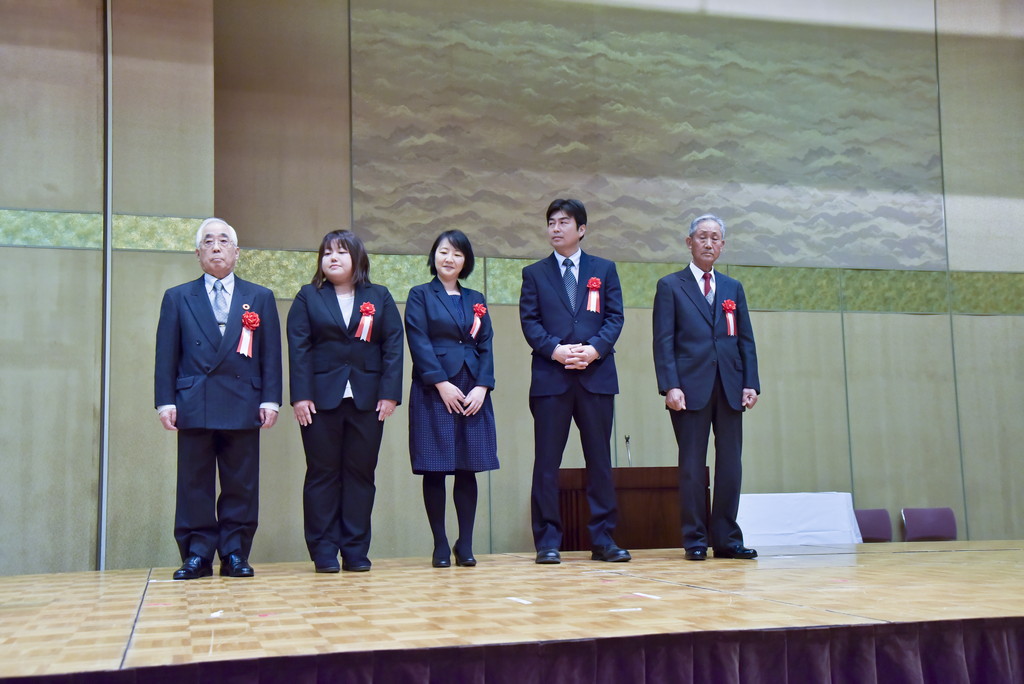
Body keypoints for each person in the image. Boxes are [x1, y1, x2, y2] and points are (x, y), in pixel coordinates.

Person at [155, 217, 282, 580]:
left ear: (236, 252)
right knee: (194, 482)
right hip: (194, 401)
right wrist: (166, 402)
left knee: (241, 482)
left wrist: (271, 400)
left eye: (223, 241)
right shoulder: (178, 297)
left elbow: (270, 354)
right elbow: (166, 355)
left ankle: (234, 552)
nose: (216, 247)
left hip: (244, 400)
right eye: (208, 241)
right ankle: (196, 553)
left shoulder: (259, 297)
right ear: (197, 254)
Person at [519, 198, 630, 565]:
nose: (555, 228)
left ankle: (603, 539)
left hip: (596, 377)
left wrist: (594, 350)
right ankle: (548, 541)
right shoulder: (534, 274)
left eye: (563, 222)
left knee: (599, 461)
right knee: (547, 463)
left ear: (581, 229)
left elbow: (614, 317)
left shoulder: (605, 269)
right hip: (552, 378)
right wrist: (557, 351)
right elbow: (530, 322)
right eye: (551, 222)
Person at [287, 230, 404, 573]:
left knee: (360, 475)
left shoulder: (379, 296)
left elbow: (393, 347)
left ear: (358, 259)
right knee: (322, 474)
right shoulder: (308, 297)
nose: (332, 258)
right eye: (326, 253)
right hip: (320, 401)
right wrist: (300, 395)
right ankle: (323, 549)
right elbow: (299, 349)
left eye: (340, 252)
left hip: (368, 401)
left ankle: (355, 549)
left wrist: (389, 393)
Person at [652, 214, 760, 561]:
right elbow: (663, 341)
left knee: (731, 465)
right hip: (689, 389)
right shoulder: (671, 285)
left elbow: (746, 340)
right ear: (689, 242)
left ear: (723, 245)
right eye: (702, 237)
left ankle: (727, 539)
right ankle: (695, 539)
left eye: (715, 238)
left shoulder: (732, 288)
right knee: (692, 467)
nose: (709, 243)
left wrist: (750, 383)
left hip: (729, 387)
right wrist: (670, 385)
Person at [405, 230, 499, 568]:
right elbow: (418, 340)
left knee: (467, 466)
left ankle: (466, 543)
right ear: (434, 256)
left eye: (457, 254)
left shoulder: (476, 297)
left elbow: (486, 344)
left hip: (472, 387)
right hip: (435, 388)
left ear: (465, 261)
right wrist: (441, 383)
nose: (450, 259)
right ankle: (441, 544)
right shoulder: (420, 295)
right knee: (435, 467)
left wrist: (483, 386)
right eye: (444, 252)